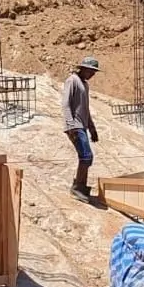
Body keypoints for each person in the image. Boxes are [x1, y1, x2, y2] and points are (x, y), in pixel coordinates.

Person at [62, 56, 100, 199]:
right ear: (83, 68)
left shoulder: (85, 84)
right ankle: (77, 187)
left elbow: (86, 108)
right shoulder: (72, 80)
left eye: (94, 72)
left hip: (82, 125)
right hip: (75, 126)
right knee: (86, 156)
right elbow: (66, 104)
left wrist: (92, 127)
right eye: (90, 71)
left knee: (87, 158)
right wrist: (70, 125)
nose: (92, 74)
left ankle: (80, 185)